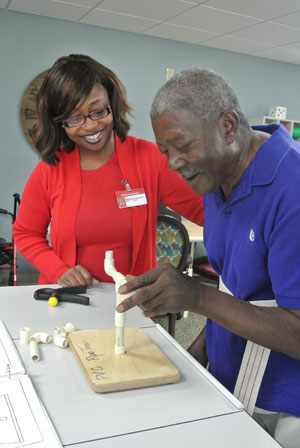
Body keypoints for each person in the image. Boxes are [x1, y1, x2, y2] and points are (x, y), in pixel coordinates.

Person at [117, 68, 300, 448]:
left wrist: (197, 297)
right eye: (165, 151)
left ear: (229, 126)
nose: (172, 164)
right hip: (231, 377)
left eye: (182, 146)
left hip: (283, 404)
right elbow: (237, 290)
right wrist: (193, 359)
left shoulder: (292, 189)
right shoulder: (217, 176)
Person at [13, 55, 204, 286]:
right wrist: (58, 270)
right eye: (74, 118)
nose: (91, 125)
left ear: (112, 105)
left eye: (98, 111)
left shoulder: (150, 159)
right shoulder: (51, 169)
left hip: (132, 302)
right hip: (67, 301)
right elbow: (25, 233)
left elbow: (204, 210)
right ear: (59, 122)